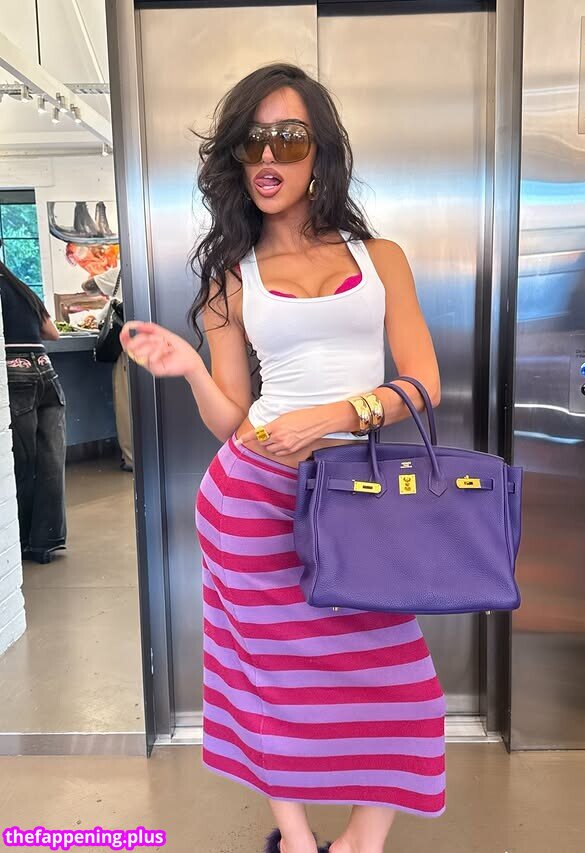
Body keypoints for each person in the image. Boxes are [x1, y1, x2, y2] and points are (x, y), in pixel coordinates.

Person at [121, 64, 443, 853]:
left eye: (289, 138)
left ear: (319, 152)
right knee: (271, 679)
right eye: (252, 141)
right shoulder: (231, 278)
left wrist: (334, 415)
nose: (268, 155)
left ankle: (360, 843)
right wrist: (191, 369)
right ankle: (297, 840)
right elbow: (234, 420)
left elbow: (423, 384)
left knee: (403, 685)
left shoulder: (381, 258)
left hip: (355, 496)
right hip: (252, 498)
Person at [0, 259, 66, 564]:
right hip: (46, 373)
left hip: (15, 375)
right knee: (51, 460)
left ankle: (21, 540)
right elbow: (52, 332)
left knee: (21, 462)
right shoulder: (19, 287)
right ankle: (46, 542)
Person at [85, 265, 133, 471]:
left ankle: (132, 458)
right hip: (158, 341)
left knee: (127, 402)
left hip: (129, 344)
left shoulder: (123, 269)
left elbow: (88, 286)